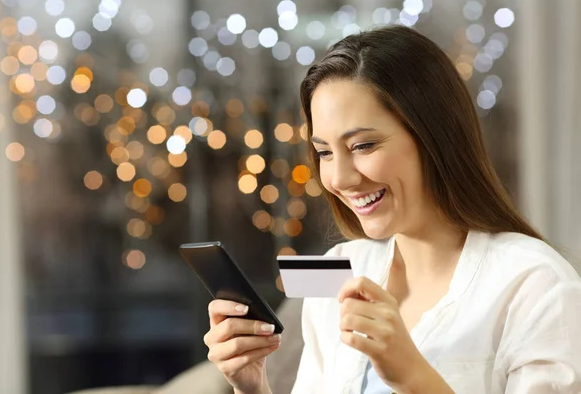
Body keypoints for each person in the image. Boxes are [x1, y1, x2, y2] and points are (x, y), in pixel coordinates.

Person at [202, 25, 581, 394]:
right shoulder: (335, 269)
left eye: (363, 146)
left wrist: (412, 376)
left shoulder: (536, 284)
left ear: (434, 136)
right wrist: (252, 387)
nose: (340, 178)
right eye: (324, 152)